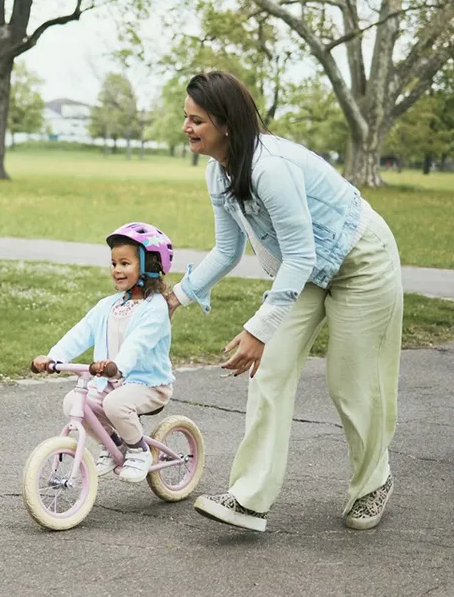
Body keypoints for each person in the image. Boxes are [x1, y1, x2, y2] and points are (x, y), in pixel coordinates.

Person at [171, 71, 404, 532]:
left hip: (361, 260)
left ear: (226, 123)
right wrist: (177, 296)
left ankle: (373, 481)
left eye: (196, 120)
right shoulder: (218, 173)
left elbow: (299, 253)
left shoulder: (268, 167)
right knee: (269, 371)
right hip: (307, 267)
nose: (187, 128)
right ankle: (249, 499)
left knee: (350, 382)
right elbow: (227, 250)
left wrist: (259, 328)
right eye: (186, 118)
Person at [31, 223, 176, 483]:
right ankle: (115, 444)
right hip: (111, 382)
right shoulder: (107, 306)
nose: (117, 270)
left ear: (149, 265)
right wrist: (53, 357)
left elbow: (138, 343)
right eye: (113, 263)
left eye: (125, 263)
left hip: (149, 384)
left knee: (115, 403)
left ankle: (140, 451)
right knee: (74, 402)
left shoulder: (155, 308)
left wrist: (116, 365)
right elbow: (80, 333)